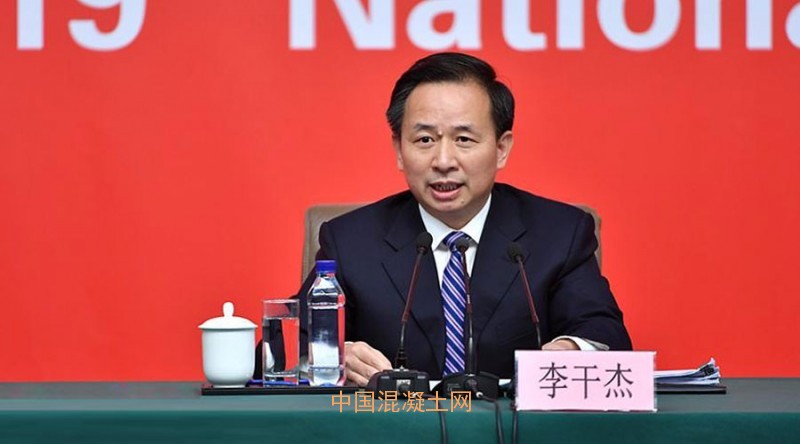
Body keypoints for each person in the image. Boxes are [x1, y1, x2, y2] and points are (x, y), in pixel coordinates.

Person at [298, 52, 631, 386]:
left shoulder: (559, 234)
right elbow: (287, 345)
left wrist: (570, 350)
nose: (444, 161)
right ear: (399, 149)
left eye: (464, 139)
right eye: (425, 140)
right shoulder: (351, 242)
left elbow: (605, 335)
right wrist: (333, 354)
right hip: (394, 417)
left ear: (501, 148)